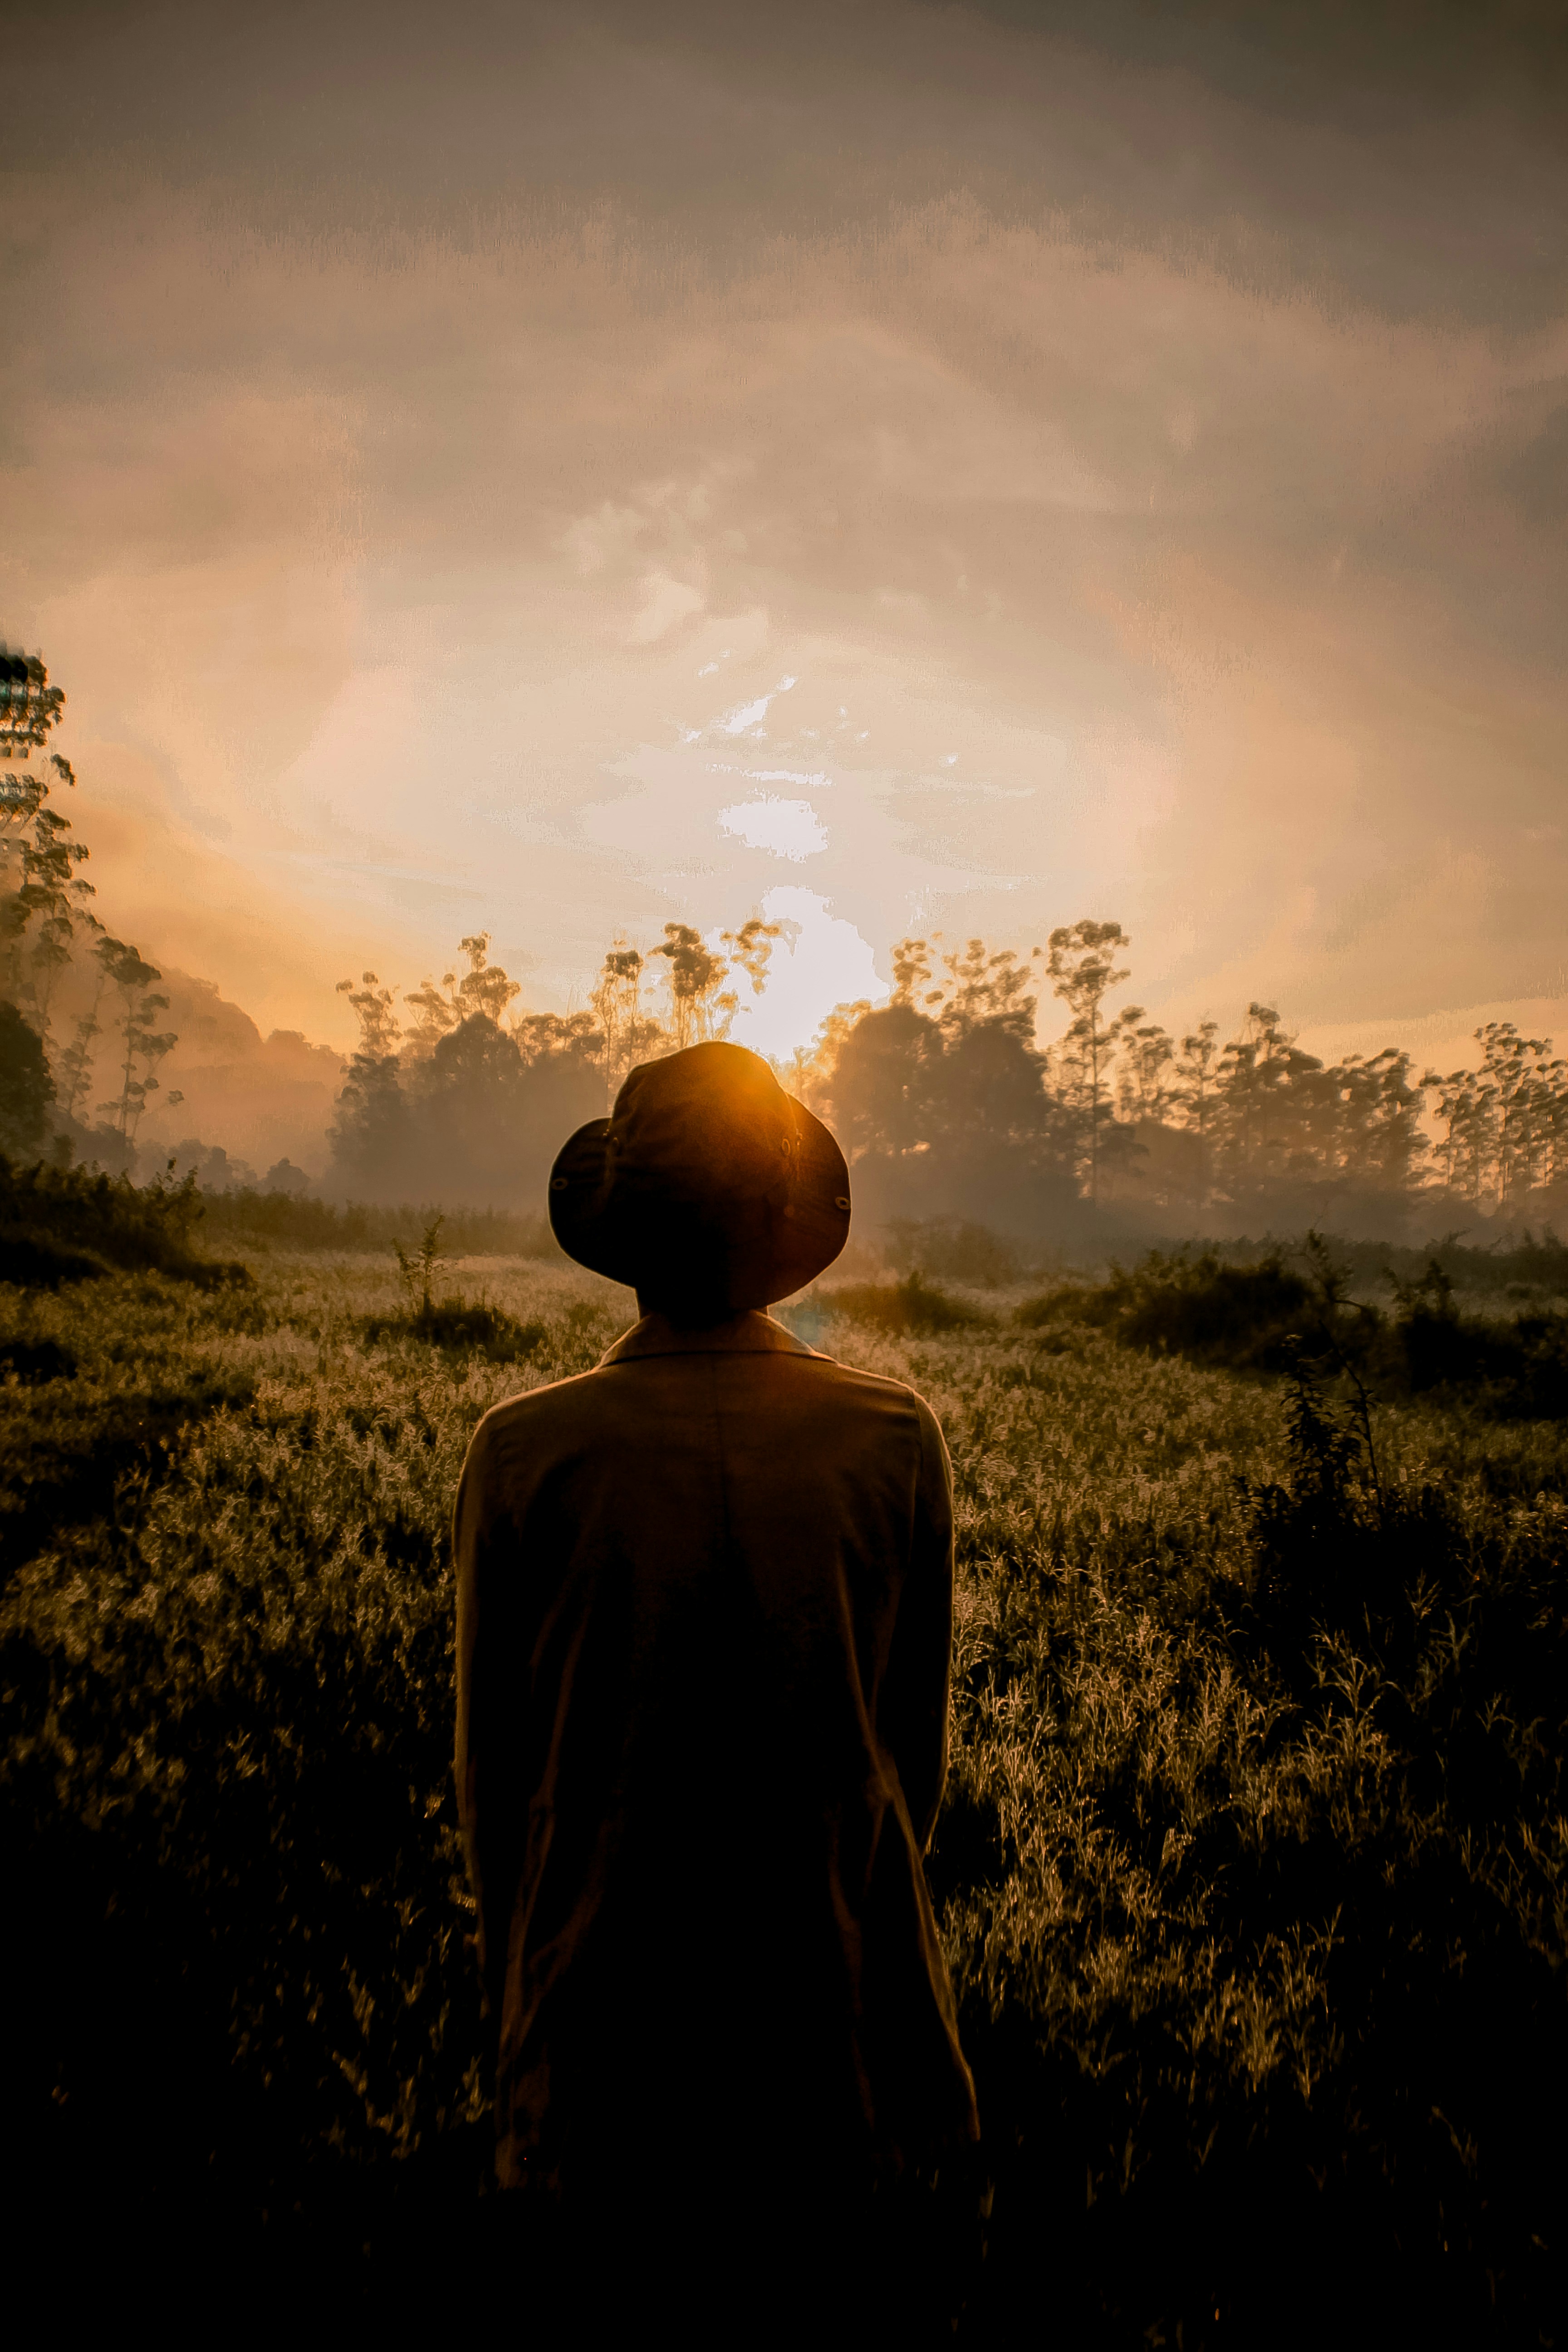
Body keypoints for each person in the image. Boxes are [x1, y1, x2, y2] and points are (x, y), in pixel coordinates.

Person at [454, 1040, 982, 2338]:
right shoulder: (892, 1437)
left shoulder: (524, 1453)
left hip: (598, 2039)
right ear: (786, 1237)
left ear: (622, 1239)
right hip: (840, 2025)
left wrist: (526, 2017)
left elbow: (495, 1785)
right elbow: (909, 1768)